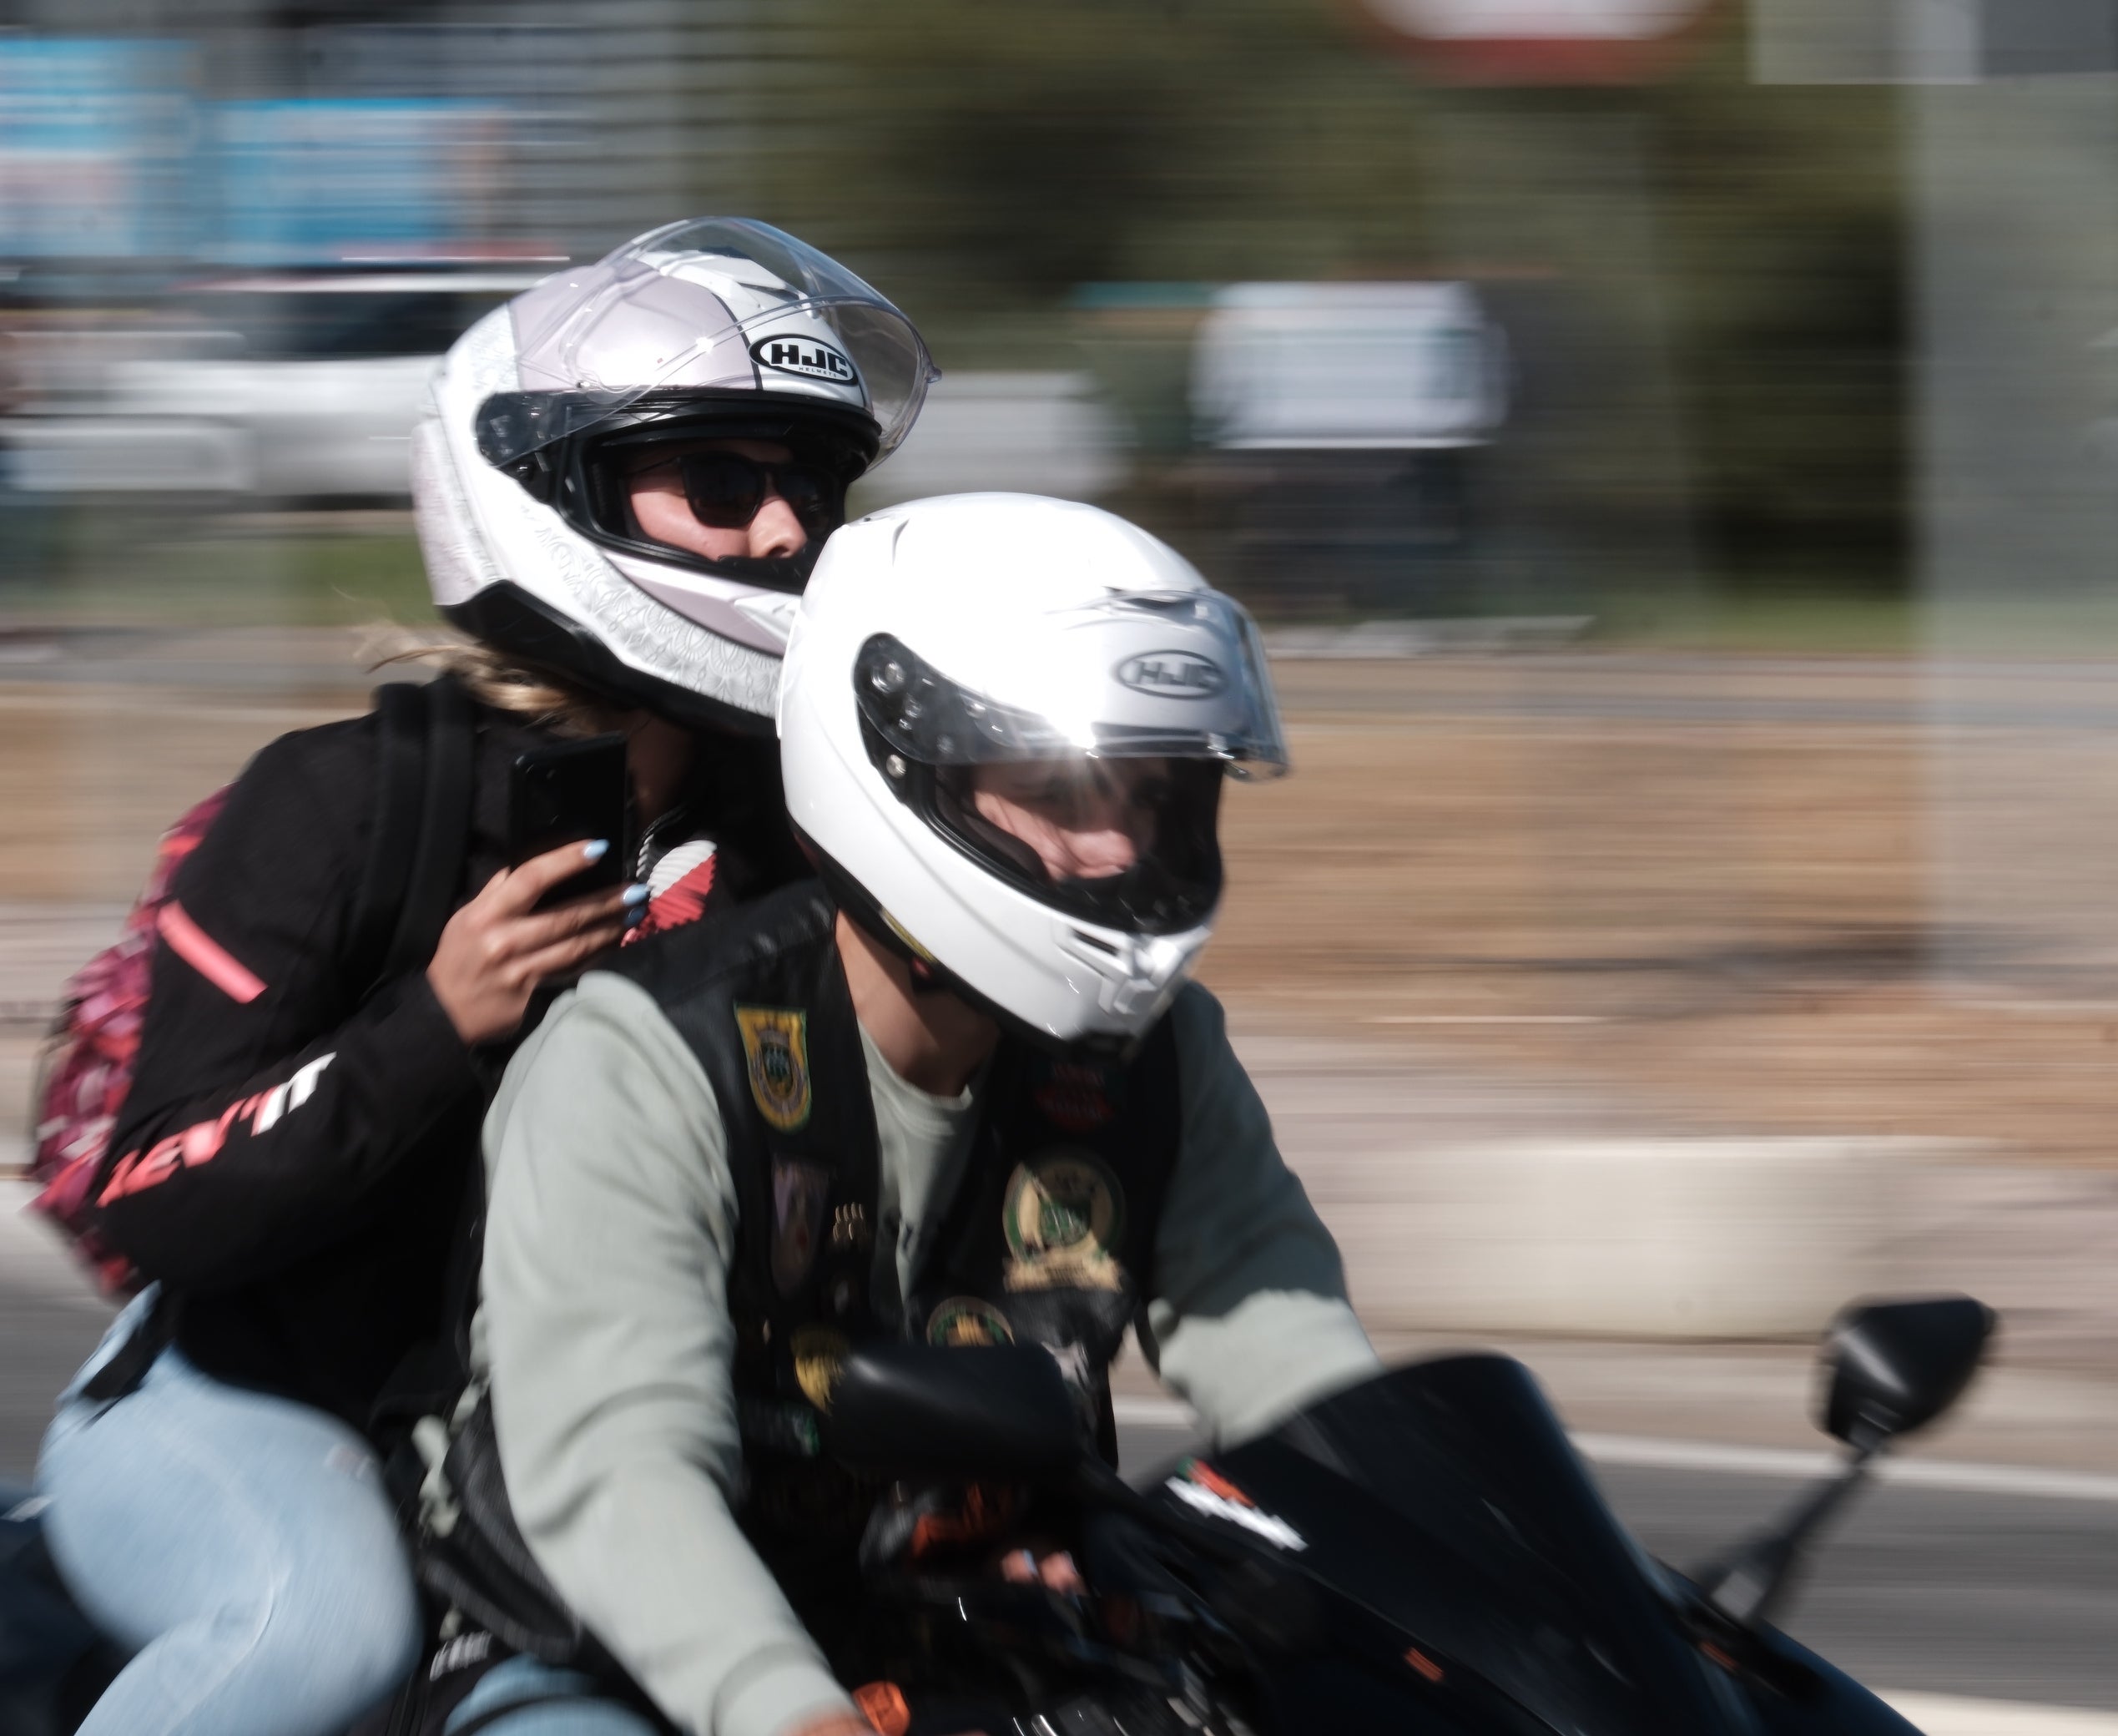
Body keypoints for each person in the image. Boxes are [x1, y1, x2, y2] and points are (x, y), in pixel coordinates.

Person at [34, 217, 934, 1736]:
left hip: (556, 1451)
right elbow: (148, 1190)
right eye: (724, 483)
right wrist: (430, 1027)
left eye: (812, 489)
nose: (785, 535)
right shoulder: (343, 805)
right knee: (309, 1636)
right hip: (248, 1406)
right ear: (555, 484)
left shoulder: (785, 847)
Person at [451, 493, 1380, 1736]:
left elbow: (1303, 1382)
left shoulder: (1158, 1060)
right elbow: (624, 1470)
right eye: (1060, 787)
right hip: (595, 1656)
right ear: (898, 767)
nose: (1116, 851)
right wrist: (785, 1710)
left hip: (947, 1643)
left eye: (1149, 795)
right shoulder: (647, 1058)